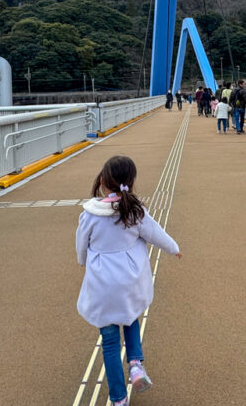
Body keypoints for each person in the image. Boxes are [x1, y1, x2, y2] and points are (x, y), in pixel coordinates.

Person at [76, 156, 181, 406]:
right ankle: (135, 365)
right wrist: (174, 248)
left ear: (102, 180)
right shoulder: (135, 211)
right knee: (131, 314)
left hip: (103, 285)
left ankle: (118, 399)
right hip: (130, 281)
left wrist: (83, 261)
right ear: (130, 182)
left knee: (110, 341)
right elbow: (156, 234)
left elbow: (81, 246)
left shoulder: (90, 214)